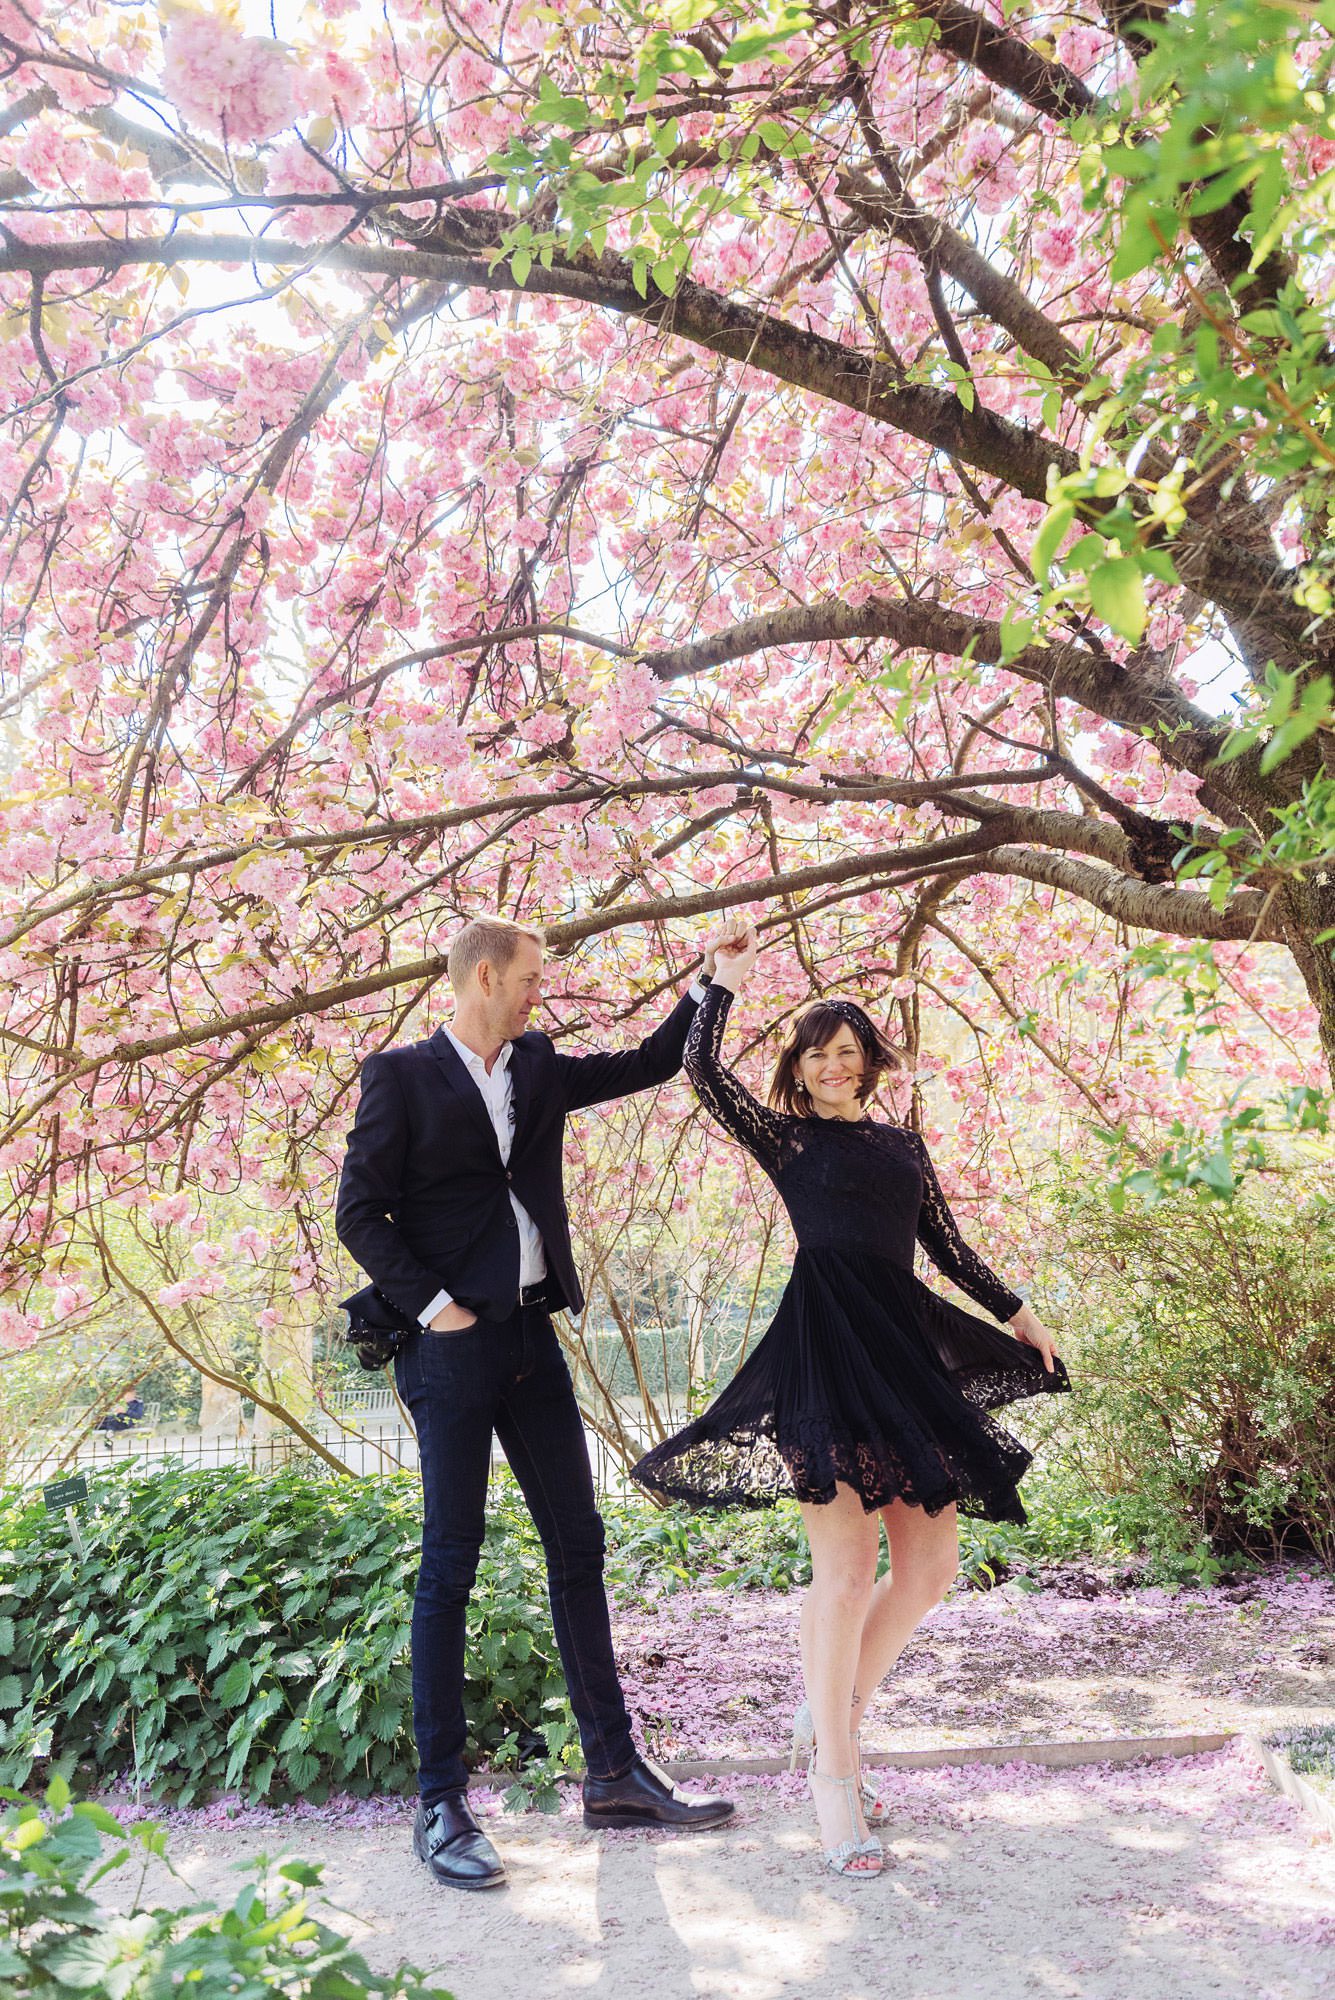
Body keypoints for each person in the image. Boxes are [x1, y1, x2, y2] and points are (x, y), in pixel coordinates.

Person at [632, 928, 1068, 1879]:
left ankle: (830, 1711)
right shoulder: (784, 1138)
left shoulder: (903, 1145)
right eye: (816, 1051)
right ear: (797, 1068)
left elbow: (947, 1248)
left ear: (870, 1061)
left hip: (902, 1351)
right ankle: (836, 1776)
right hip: (823, 1352)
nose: (834, 1063)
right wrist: (723, 983)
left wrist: (1019, 1313)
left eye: (849, 1049)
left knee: (929, 1565)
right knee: (843, 1568)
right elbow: (701, 1072)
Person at [335, 914, 735, 1892]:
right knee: (451, 1560)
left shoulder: (537, 1064)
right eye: (526, 977)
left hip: (533, 1340)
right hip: (453, 1348)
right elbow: (358, 1210)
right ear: (480, 975)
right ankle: (440, 1801)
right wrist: (436, 1308)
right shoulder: (399, 1077)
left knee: (579, 1543)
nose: (536, 993)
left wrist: (713, 984)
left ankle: (613, 1773)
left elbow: (650, 1061)